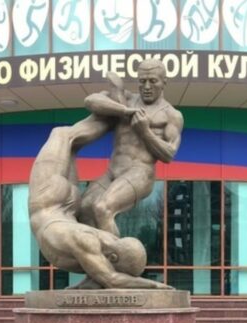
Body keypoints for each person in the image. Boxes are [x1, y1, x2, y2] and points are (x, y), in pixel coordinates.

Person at [28, 121, 172, 290]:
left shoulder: (103, 240)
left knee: (66, 138)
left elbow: (103, 276)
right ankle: (111, 116)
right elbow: (111, 280)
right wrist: (154, 285)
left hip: (57, 205)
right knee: (62, 135)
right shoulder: (90, 242)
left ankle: (109, 117)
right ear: (112, 258)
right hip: (49, 204)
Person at [77, 58, 184, 237]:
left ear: (164, 82)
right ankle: (94, 252)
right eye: (142, 81)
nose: (147, 86)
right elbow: (91, 101)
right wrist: (124, 111)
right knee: (84, 209)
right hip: (113, 171)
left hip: (139, 173)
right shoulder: (127, 100)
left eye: (153, 81)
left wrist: (145, 132)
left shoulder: (171, 115)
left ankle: (118, 254)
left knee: (102, 208)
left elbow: (169, 154)